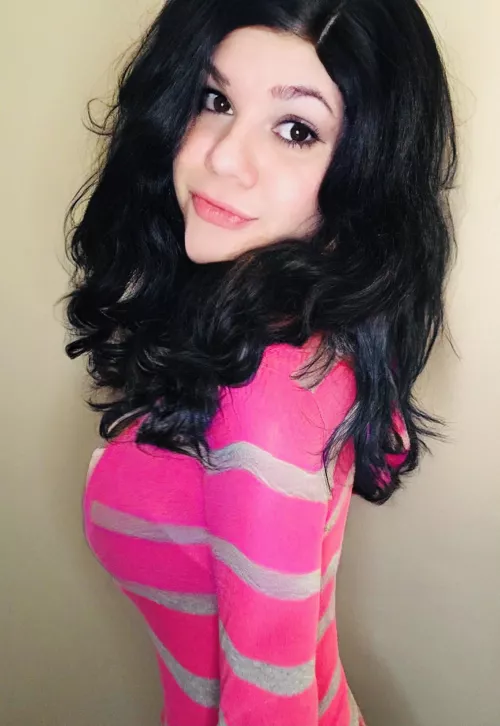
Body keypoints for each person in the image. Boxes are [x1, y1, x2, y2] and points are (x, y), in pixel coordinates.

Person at [63, 0, 457, 724]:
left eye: (296, 129)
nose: (222, 157)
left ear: (365, 174)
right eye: (216, 100)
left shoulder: (268, 387)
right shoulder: (280, 337)